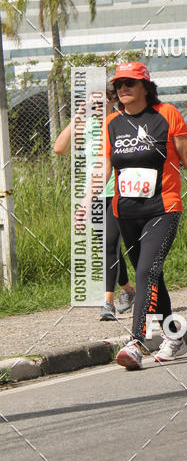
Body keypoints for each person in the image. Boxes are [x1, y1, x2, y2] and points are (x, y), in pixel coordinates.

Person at [76, 61, 187, 370]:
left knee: (145, 272)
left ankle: (136, 342)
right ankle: (175, 338)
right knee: (152, 274)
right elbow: (105, 166)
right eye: (118, 85)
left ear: (146, 86)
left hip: (163, 208)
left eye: (130, 83)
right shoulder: (112, 123)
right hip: (125, 212)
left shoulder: (167, 115)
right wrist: (86, 202)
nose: (123, 89)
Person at [55, 85, 135, 320]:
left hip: (118, 191)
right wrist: (79, 114)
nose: (96, 109)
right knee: (108, 246)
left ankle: (107, 303)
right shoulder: (86, 125)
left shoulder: (119, 122)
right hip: (94, 194)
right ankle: (128, 291)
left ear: (112, 102)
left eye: (100, 104)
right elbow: (60, 148)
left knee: (110, 245)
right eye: (92, 105)